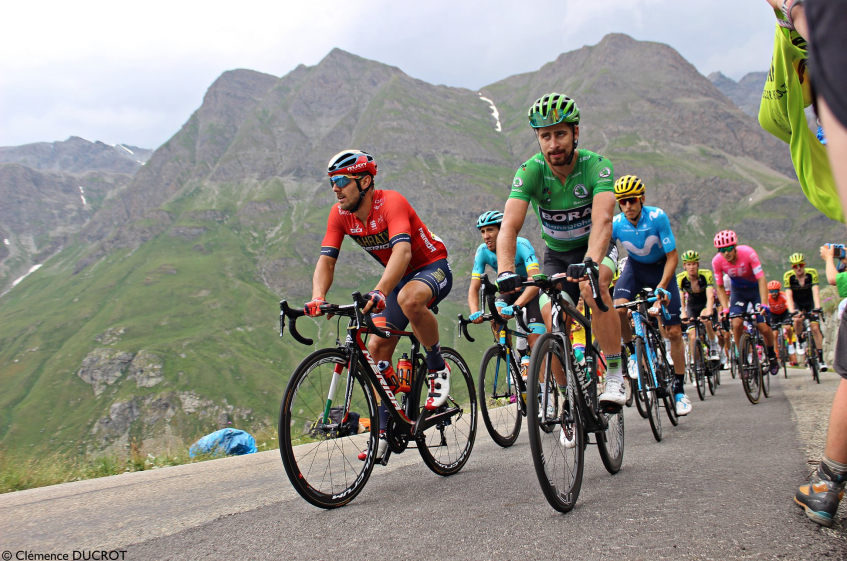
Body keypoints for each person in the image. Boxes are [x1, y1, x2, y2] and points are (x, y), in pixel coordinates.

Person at [306, 149, 452, 460]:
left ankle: (437, 365)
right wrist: (318, 296)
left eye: (342, 180)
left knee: (409, 299)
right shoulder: (340, 215)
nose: (335, 187)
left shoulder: (392, 203)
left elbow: (403, 253)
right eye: (332, 181)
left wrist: (379, 291)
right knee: (375, 348)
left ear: (365, 181)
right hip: (397, 280)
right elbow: (326, 260)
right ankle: (384, 430)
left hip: (431, 267)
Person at [495, 92, 625, 408]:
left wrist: (592, 262)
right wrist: (505, 271)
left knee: (593, 289)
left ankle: (616, 377)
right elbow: (509, 226)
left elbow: (603, 219)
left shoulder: (597, 166)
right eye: (545, 136)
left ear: (575, 133)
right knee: (552, 319)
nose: (554, 144)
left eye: (560, 134)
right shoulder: (531, 171)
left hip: (595, 246)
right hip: (557, 255)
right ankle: (567, 396)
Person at [611, 175, 691, 416]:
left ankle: (679, 390)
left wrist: (662, 286)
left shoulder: (657, 217)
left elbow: (673, 256)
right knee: (618, 310)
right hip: (634, 270)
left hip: (661, 270)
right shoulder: (617, 223)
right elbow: (607, 251)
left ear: (642, 199)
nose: (627, 206)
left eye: (632, 200)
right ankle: (631, 352)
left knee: (674, 332)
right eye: (622, 202)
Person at [467, 210, 545, 353]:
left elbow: (535, 281)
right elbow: (474, 287)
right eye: (482, 231)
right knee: (495, 316)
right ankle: (510, 358)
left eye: (490, 230)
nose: (486, 236)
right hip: (509, 291)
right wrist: (474, 311)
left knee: (535, 343)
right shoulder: (482, 251)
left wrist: (516, 305)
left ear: (503, 230)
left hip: (531, 293)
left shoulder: (522, 245)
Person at [711, 229, 780, 375]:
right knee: (736, 323)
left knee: (763, 327)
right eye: (722, 250)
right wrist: (725, 308)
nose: (726, 253)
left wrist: (764, 304)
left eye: (729, 248)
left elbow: (761, 278)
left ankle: (772, 356)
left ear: (735, 247)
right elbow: (721, 287)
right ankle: (743, 360)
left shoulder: (748, 253)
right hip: (739, 293)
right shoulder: (717, 261)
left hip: (755, 290)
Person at [784, 252, 827, 371]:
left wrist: (817, 307)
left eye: (800, 265)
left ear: (804, 265)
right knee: (797, 320)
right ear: (792, 267)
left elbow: (815, 291)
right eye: (795, 266)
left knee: (815, 328)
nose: (798, 268)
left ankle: (821, 360)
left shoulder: (812, 273)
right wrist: (792, 311)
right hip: (798, 303)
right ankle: (799, 339)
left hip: (810, 302)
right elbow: (789, 295)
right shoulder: (788, 276)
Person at [677, 250, 720, 362]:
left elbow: (710, 295)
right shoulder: (681, 278)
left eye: (694, 264)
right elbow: (680, 297)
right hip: (692, 306)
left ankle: (713, 346)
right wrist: (683, 312)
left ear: (698, 265)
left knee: (706, 318)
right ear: (684, 266)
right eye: (689, 264)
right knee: (692, 336)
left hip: (705, 303)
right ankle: (696, 362)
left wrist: (709, 310)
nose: (692, 267)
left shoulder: (706, 274)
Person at [767, 280, 797, 365]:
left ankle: (790, 344)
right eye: (771, 291)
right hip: (774, 315)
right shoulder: (768, 298)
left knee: (787, 327)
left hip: (784, 313)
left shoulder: (783, 295)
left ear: (779, 290)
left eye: (775, 291)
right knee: (775, 334)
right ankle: (776, 352)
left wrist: (792, 313)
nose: (774, 293)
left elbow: (789, 304)